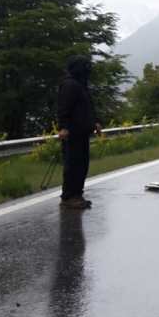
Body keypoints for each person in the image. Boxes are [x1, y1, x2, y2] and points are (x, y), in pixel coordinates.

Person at [56, 56, 102, 210]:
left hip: (82, 132)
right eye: (86, 67)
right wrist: (63, 127)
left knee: (82, 165)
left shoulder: (81, 85)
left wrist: (95, 122)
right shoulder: (69, 85)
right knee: (73, 165)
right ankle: (68, 196)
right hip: (72, 133)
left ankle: (77, 195)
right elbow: (63, 109)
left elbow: (88, 107)